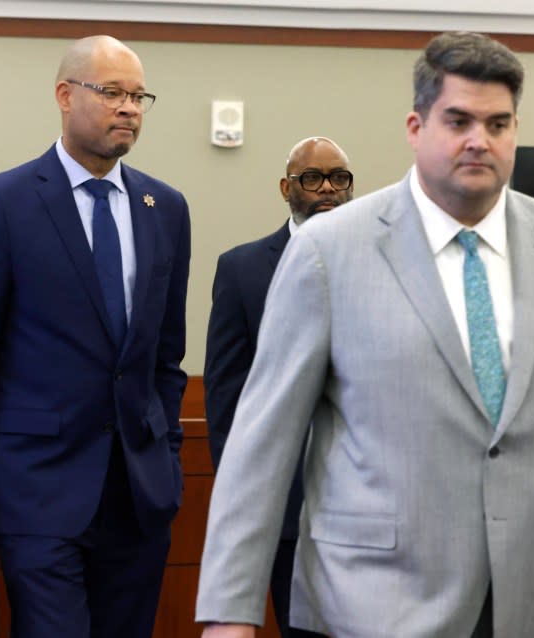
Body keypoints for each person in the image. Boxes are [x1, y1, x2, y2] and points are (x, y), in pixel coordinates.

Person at [196, 31, 534, 638]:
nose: (478, 140)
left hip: (523, 601)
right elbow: (261, 447)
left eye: (498, 123)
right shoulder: (328, 253)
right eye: (457, 120)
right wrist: (230, 614)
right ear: (416, 127)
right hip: (367, 603)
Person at [0, 35, 190, 638]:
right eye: (112, 92)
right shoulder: (4, 203)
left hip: (137, 499)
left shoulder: (166, 208)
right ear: (64, 94)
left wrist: (167, 460)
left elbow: (165, 359)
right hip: (37, 496)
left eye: (138, 95)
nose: (129, 107)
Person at [204, 136, 353, 637]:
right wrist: (241, 504)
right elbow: (227, 399)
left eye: (339, 178)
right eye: (313, 178)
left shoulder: (387, 261)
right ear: (287, 188)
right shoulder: (242, 269)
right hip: (286, 509)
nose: (328, 188)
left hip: (373, 509)